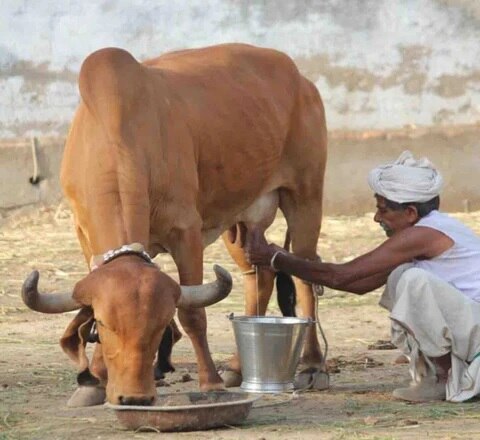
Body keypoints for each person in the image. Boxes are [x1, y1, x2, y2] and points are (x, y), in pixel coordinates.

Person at [245, 150, 480, 403]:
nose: (377, 218)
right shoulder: (430, 230)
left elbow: (343, 276)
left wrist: (275, 259)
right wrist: (286, 261)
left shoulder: (424, 235)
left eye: (383, 210)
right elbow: (360, 285)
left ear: (411, 212)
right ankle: (438, 374)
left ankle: (442, 379)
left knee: (412, 281)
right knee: (401, 275)